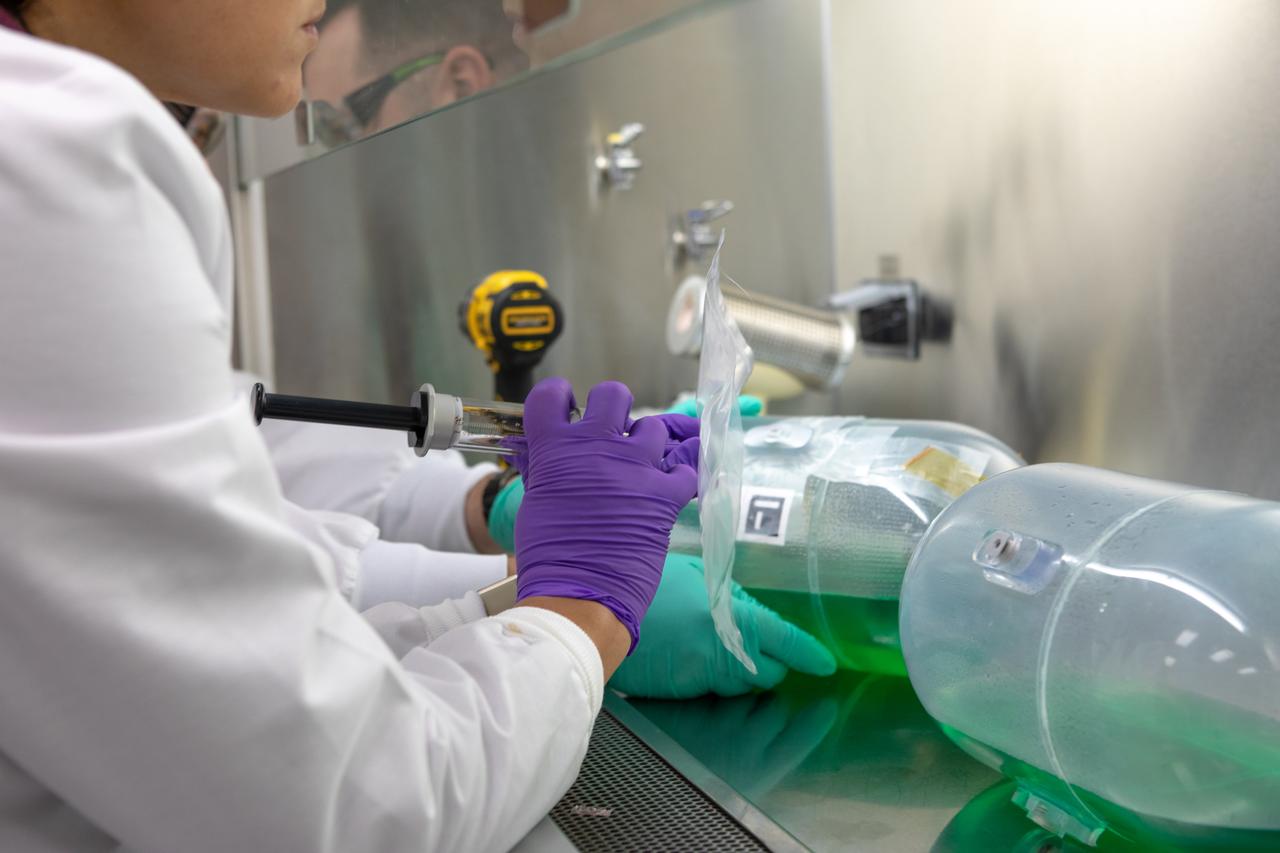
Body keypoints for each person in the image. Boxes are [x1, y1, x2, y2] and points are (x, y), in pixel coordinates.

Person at [0, 2, 698, 850]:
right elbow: (353, 809)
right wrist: (579, 611)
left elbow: (236, 592)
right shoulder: (49, 154)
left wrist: (502, 590)